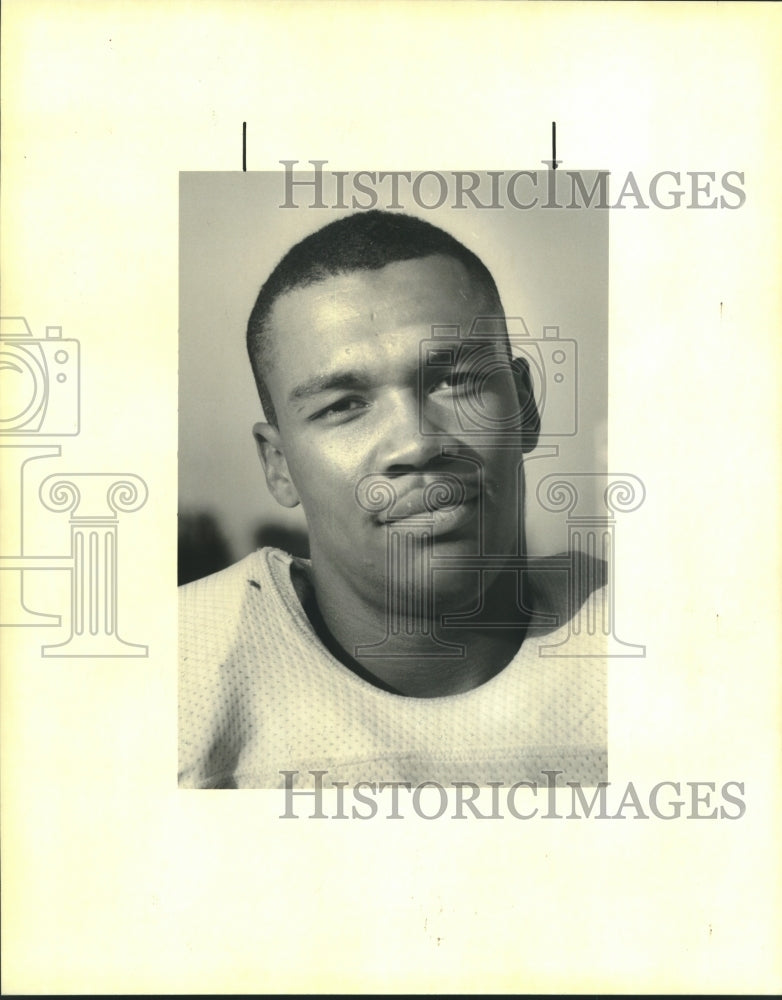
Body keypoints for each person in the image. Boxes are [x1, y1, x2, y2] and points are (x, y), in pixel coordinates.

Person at [178, 209, 607, 790]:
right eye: (342, 405)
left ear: (525, 407)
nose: (417, 442)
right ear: (279, 465)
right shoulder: (171, 688)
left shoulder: (681, 659)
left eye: (454, 379)